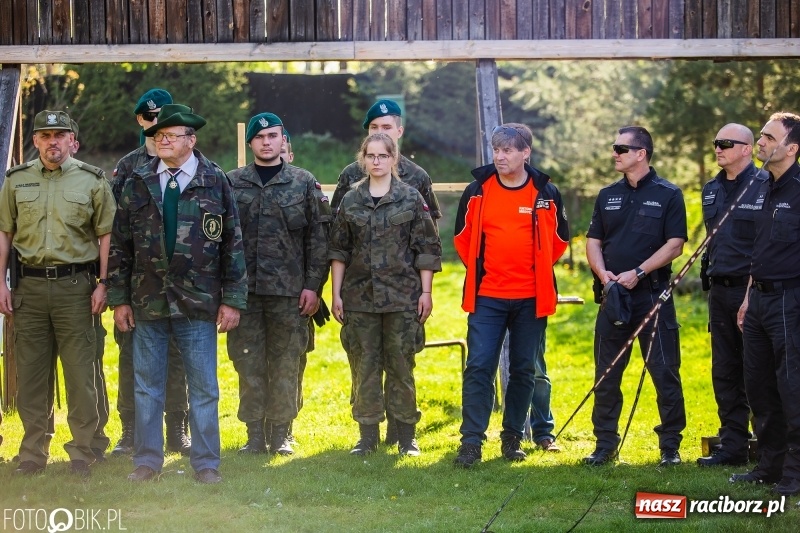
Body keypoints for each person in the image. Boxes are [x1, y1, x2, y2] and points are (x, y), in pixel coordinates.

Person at [108, 104, 247, 484]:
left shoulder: (214, 179)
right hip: (147, 299)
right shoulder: (138, 181)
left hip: (197, 301)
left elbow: (232, 244)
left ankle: (205, 464)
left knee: (203, 388)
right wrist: (118, 299)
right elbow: (120, 245)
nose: (161, 141)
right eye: (158, 136)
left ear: (191, 140)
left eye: (170, 136)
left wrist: (233, 300)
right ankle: (148, 460)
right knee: (147, 385)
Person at [0, 109, 116, 477]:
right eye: (45, 135)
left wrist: (104, 282)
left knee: (81, 373)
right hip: (28, 288)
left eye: (60, 135)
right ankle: (33, 452)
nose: (53, 141)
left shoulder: (92, 181)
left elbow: (107, 236)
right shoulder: (16, 181)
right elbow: (4, 232)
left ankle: (85, 450)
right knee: (31, 375)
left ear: (73, 141)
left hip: (76, 289)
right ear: (35, 141)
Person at [453, 123, 569, 467]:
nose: (500, 157)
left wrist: (533, 269)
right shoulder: (478, 190)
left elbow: (560, 240)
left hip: (531, 298)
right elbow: (462, 237)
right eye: (496, 150)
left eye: (507, 151)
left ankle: (512, 438)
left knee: (522, 369)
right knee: (478, 366)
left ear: (525, 153)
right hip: (487, 295)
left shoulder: (546, 191)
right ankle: (471, 441)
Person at [331, 99, 442, 445]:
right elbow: (338, 249)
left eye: (383, 155)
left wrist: (425, 293)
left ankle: (405, 435)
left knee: (401, 366)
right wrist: (335, 293)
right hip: (360, 297)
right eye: (371, 155)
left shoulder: (410, 197)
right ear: (362, 159)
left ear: (394, 159)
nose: (376, 161)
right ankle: (367, 436)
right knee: (364, 367)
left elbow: (427, 247)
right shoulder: (351, 198)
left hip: (402, 297)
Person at [585, 126, 687, 467]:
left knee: (664, 372)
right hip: (613, 298)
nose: (614, 153)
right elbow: (593, 241)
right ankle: (604, 445)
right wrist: (604, 275)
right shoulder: (606, 195)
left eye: (621, 148)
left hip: (652, 296)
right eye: (615, 148)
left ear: (641, 153)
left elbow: (675, 244)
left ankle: (670, 447)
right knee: (606, 374)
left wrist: (639, 272)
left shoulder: (669, 194)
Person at [226, 113, 328, 456]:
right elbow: (222, 241)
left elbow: (319, 239)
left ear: (283, 140)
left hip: (290, 294)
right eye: (260, 137)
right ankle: (255, 434)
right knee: (248, 363)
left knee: (287, 364)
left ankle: (282, 433)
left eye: (273, 136)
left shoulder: (303, 183)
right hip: (246, 294)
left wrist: (314, 286)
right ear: (250, 143)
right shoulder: (232, 183)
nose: (267, 142)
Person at [108, 88, 191, 458]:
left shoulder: (192, 162)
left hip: (181, 289)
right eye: (150, 119)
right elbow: (115, 233)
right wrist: (115, 290)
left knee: (178, 359)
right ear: (141, 121)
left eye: (164, 119)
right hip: (140, 286)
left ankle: (177, 429)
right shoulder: (129, 168)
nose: (157, 126)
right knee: (131, 359)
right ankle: (130, 431)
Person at [731, 112, 800, 496]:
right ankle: (769, 465)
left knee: (792, 387)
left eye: (769, 138)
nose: (760, 142)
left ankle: (796, 471)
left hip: (792, 300)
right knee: (759, 387)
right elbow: (761, 251)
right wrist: (746, 299)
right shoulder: (761, 186)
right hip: (757, 300)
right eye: (760, 135)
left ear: (791, 148)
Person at [696, 124, 764, 467]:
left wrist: (751, 294)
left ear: (747, 149)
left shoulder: (766, 186)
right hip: (719, 292)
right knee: (724, 371)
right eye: (715, 142)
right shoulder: (710, 189)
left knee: (757, 371)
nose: (718, 148)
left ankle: (768, 447)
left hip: (754, 290)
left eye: (725, 143)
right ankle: (733, 446)